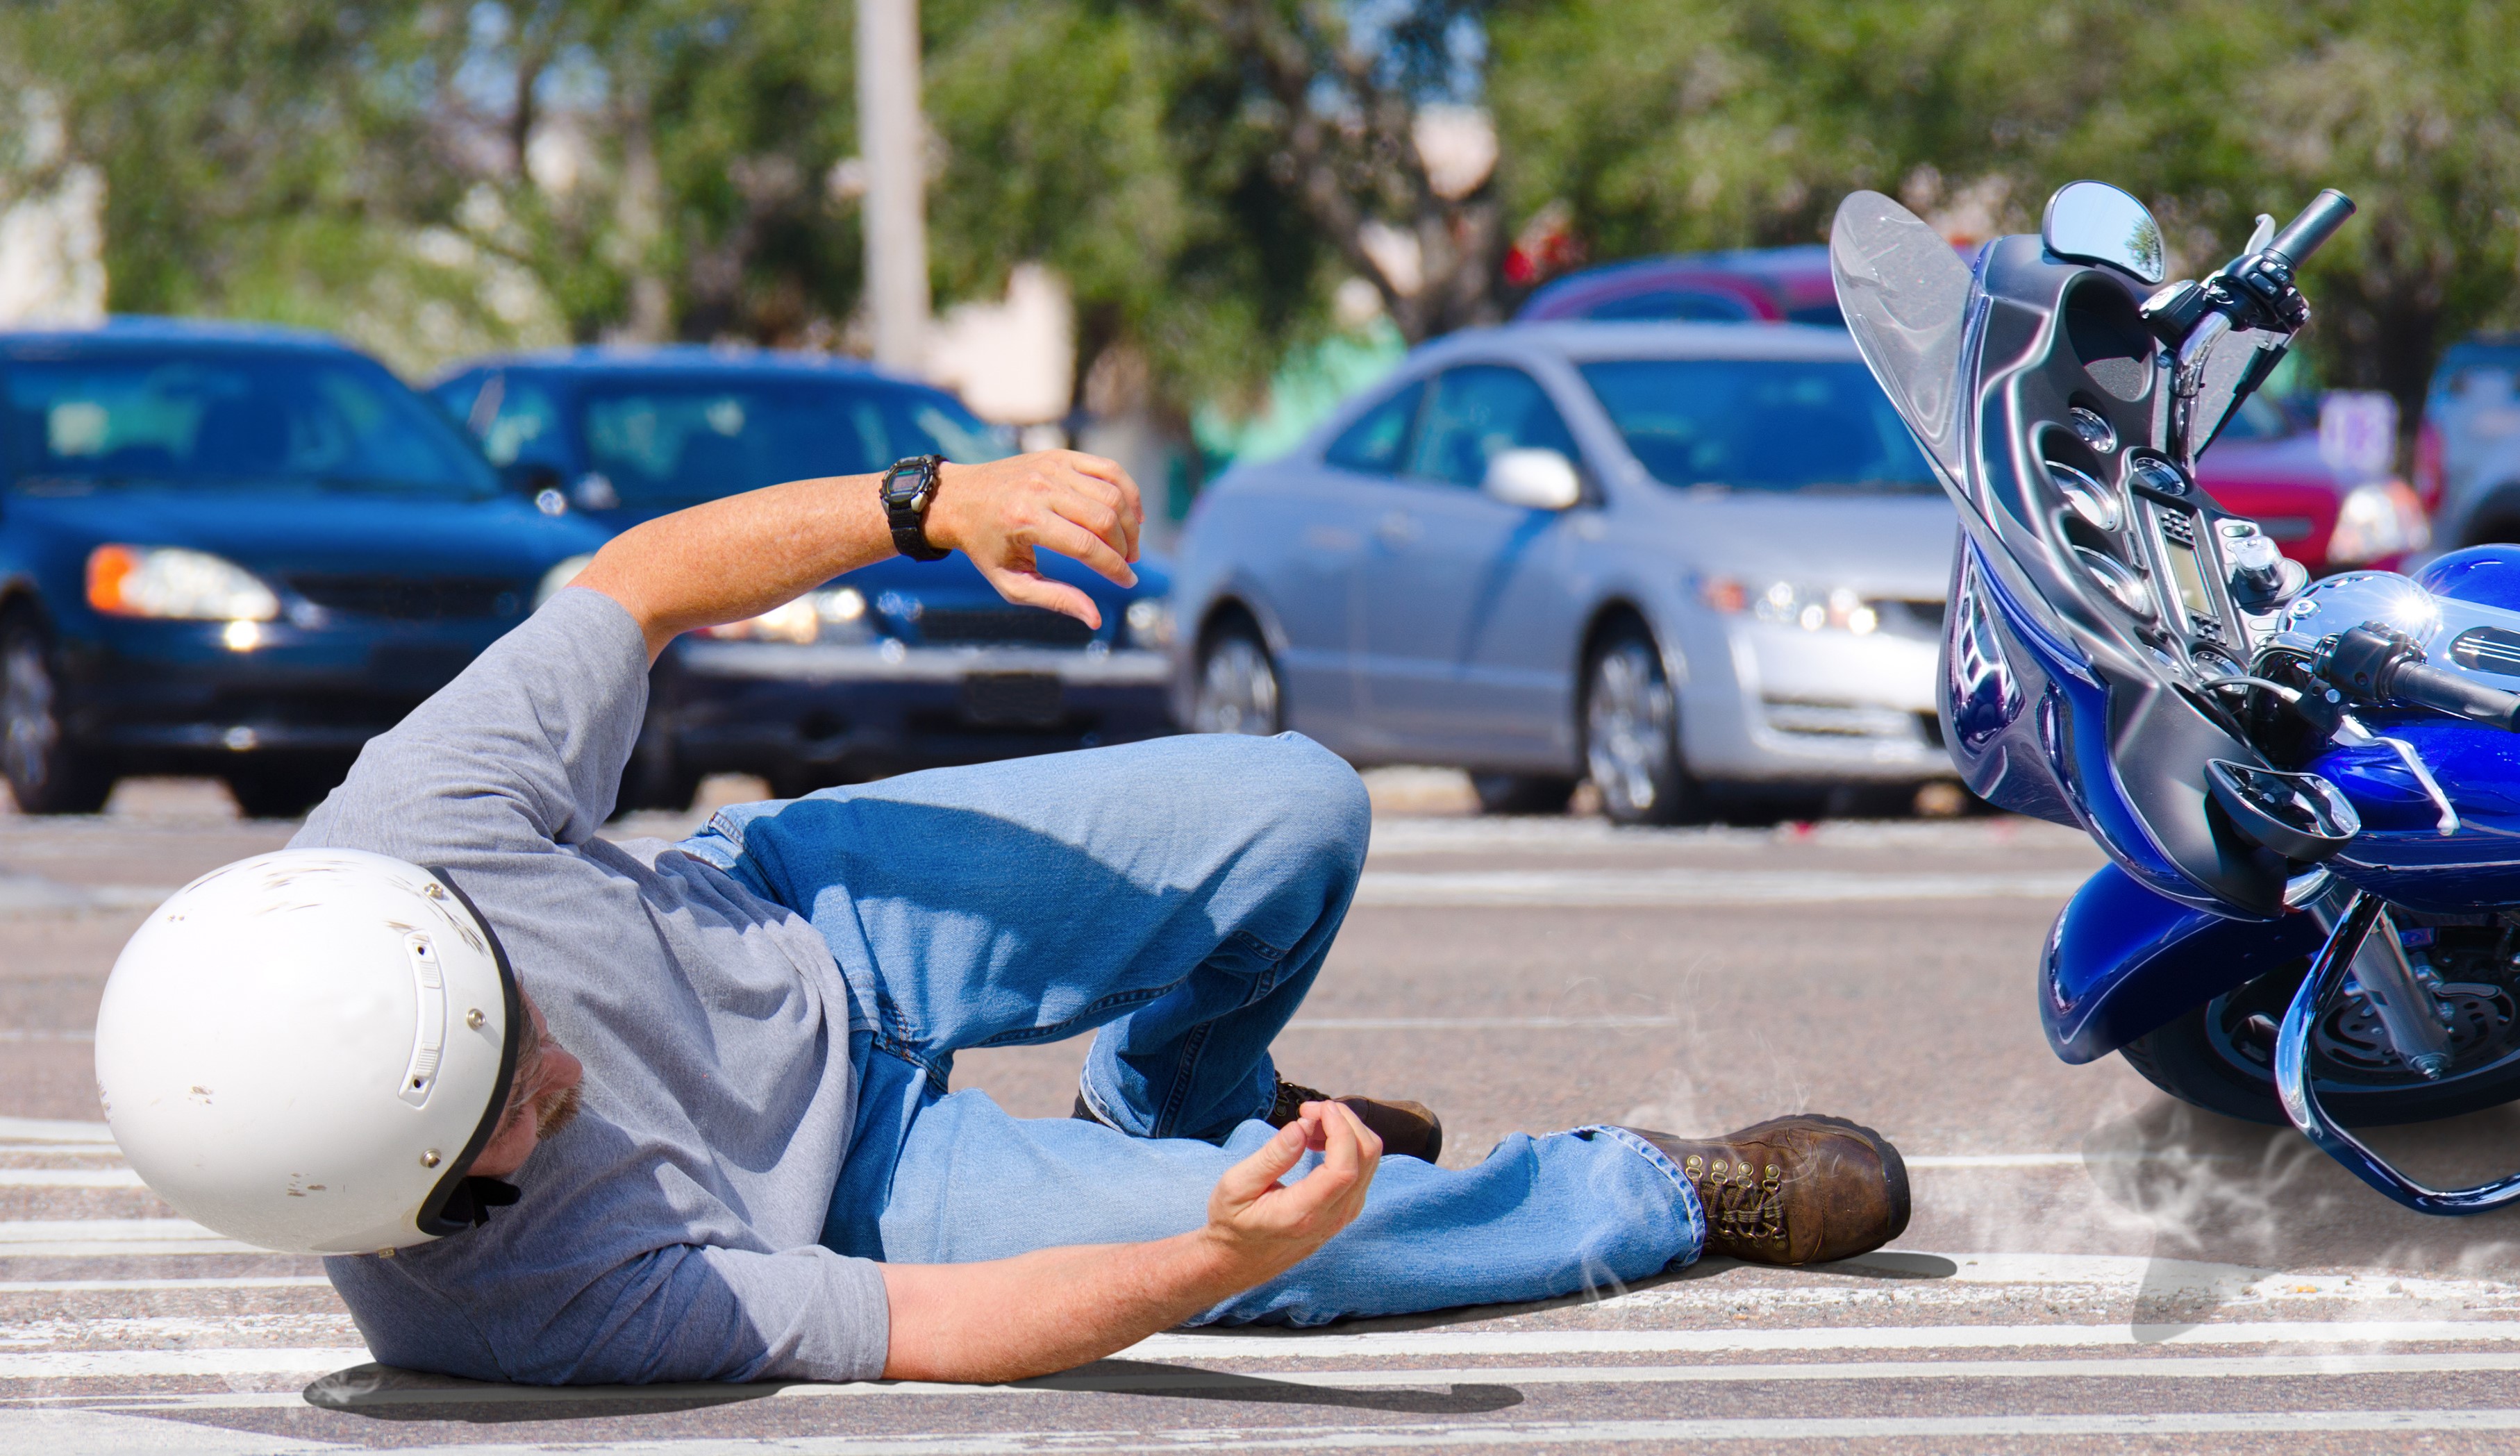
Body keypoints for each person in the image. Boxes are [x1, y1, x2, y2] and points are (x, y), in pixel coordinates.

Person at [94, 449, 1909, 1387]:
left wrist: (937, 500)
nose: (558, 1068)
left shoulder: (402, 829)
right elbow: (937, 1329)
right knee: (1310, 1256)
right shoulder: (516, 1311)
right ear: (427, 1210)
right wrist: (1207, 1263)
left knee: (1297, 804)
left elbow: (631, 585)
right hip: (861, 1190)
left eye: (510, 1011)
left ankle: (1179, 1101)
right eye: (511, 1123)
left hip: (808, 914)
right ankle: (1668, 1191)